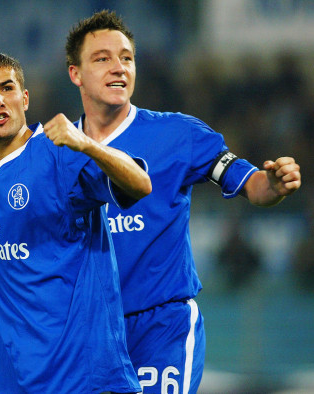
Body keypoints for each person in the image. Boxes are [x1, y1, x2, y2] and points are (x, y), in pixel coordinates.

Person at [63, 10, 302, 393]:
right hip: (88, 330)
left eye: (126, 57)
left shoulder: (178, 134)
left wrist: (273, 183)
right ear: (75, 74)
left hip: (162, 326)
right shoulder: (54, 150)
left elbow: (254, 186)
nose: (118, 68)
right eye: (102, 58)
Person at [0, 51, 151, 393]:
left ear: (24, 98)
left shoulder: (60, 156)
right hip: (13, 377)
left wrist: (87, 144)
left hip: (81, 379)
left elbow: (141, 184)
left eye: (6, 88)